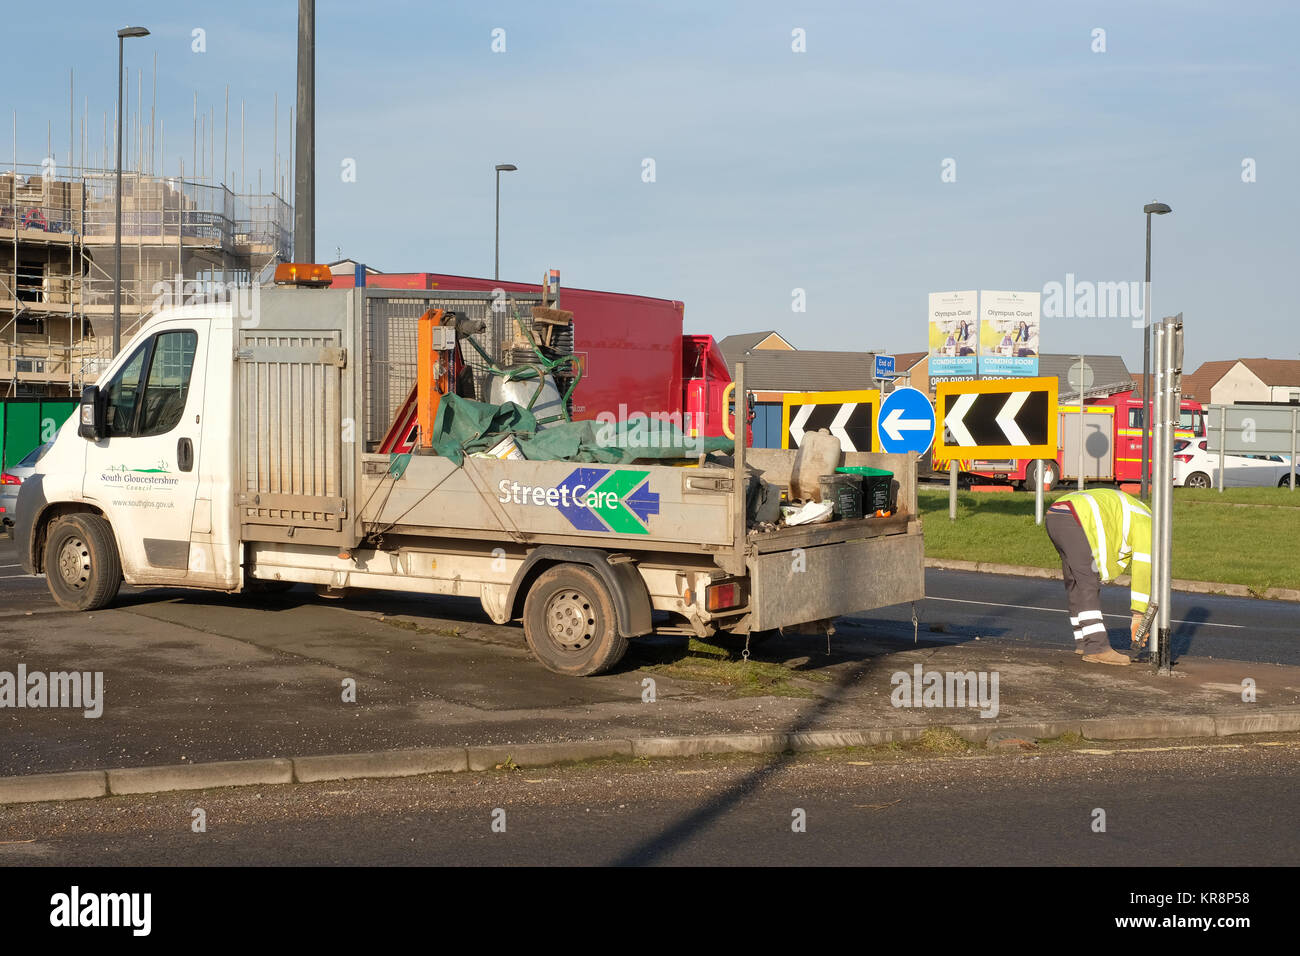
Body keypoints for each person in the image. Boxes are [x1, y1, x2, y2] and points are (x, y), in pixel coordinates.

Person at [1044, 487, 1152, 665]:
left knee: (1075, 581)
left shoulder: (1136, 510)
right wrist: (1139, 615)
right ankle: (1097, 647)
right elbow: (1143, 567)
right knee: (1088, 581)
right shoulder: (1147, 524)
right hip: (1076, 517)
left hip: (1055, 515)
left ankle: (1083, 641)